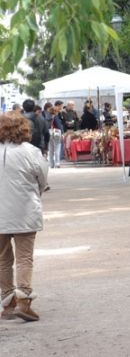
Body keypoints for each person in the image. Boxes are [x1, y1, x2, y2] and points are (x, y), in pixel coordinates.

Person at [0, 112, 49, 321]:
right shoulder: (31, 151)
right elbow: (42, 179)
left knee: (2, 259)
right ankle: (23, 300)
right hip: (25, 211)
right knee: (24, 258)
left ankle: (8, 304)